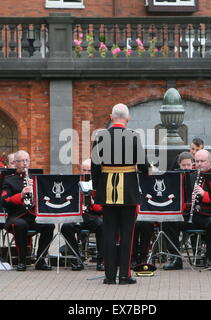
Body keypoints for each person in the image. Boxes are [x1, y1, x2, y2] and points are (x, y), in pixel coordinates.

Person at [91, 103, 149, 285]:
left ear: (111, 116)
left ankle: (109, 276)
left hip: (107, 188)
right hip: (129, 190)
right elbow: (143, 165)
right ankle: (125, 275)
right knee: (127, 235)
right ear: (128, 118)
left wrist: (96, 188)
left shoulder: (100, 136)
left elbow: (94, 167)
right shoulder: (133, 136)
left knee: (108, 233)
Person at [1, 150, 55, 271]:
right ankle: (22, 260)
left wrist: (36, 190)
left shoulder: (35, 179)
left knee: (49, 225)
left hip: (33, 216)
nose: (25, 164)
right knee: (20, 225)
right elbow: (4, 201)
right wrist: (21, 194)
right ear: (15, 163)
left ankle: (41, 259)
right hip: (16, 216)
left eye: (27, 160)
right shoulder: (8, 180)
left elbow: (44, 199)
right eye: (21, 161)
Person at [61, 159, 104, 271]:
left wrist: (92, 202)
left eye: (89, 171)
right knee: (66, 227)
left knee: (102, 225)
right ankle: (76, 260)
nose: (86, 173)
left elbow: (102, 208)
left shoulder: (99, 183)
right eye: (84, 170)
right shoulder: (74, 183)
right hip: (77, 214)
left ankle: (101, 261)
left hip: (92, 215)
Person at [190, 149, 211, 268]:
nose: (199, 164)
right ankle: (175, 257)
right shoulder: (190, 176)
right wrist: (188, 201)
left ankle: (209, 256)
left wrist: (204, 194)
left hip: (207, 216)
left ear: (210, 162)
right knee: (170, 222)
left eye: (202, 161)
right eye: (197, 161)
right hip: (192, 215)